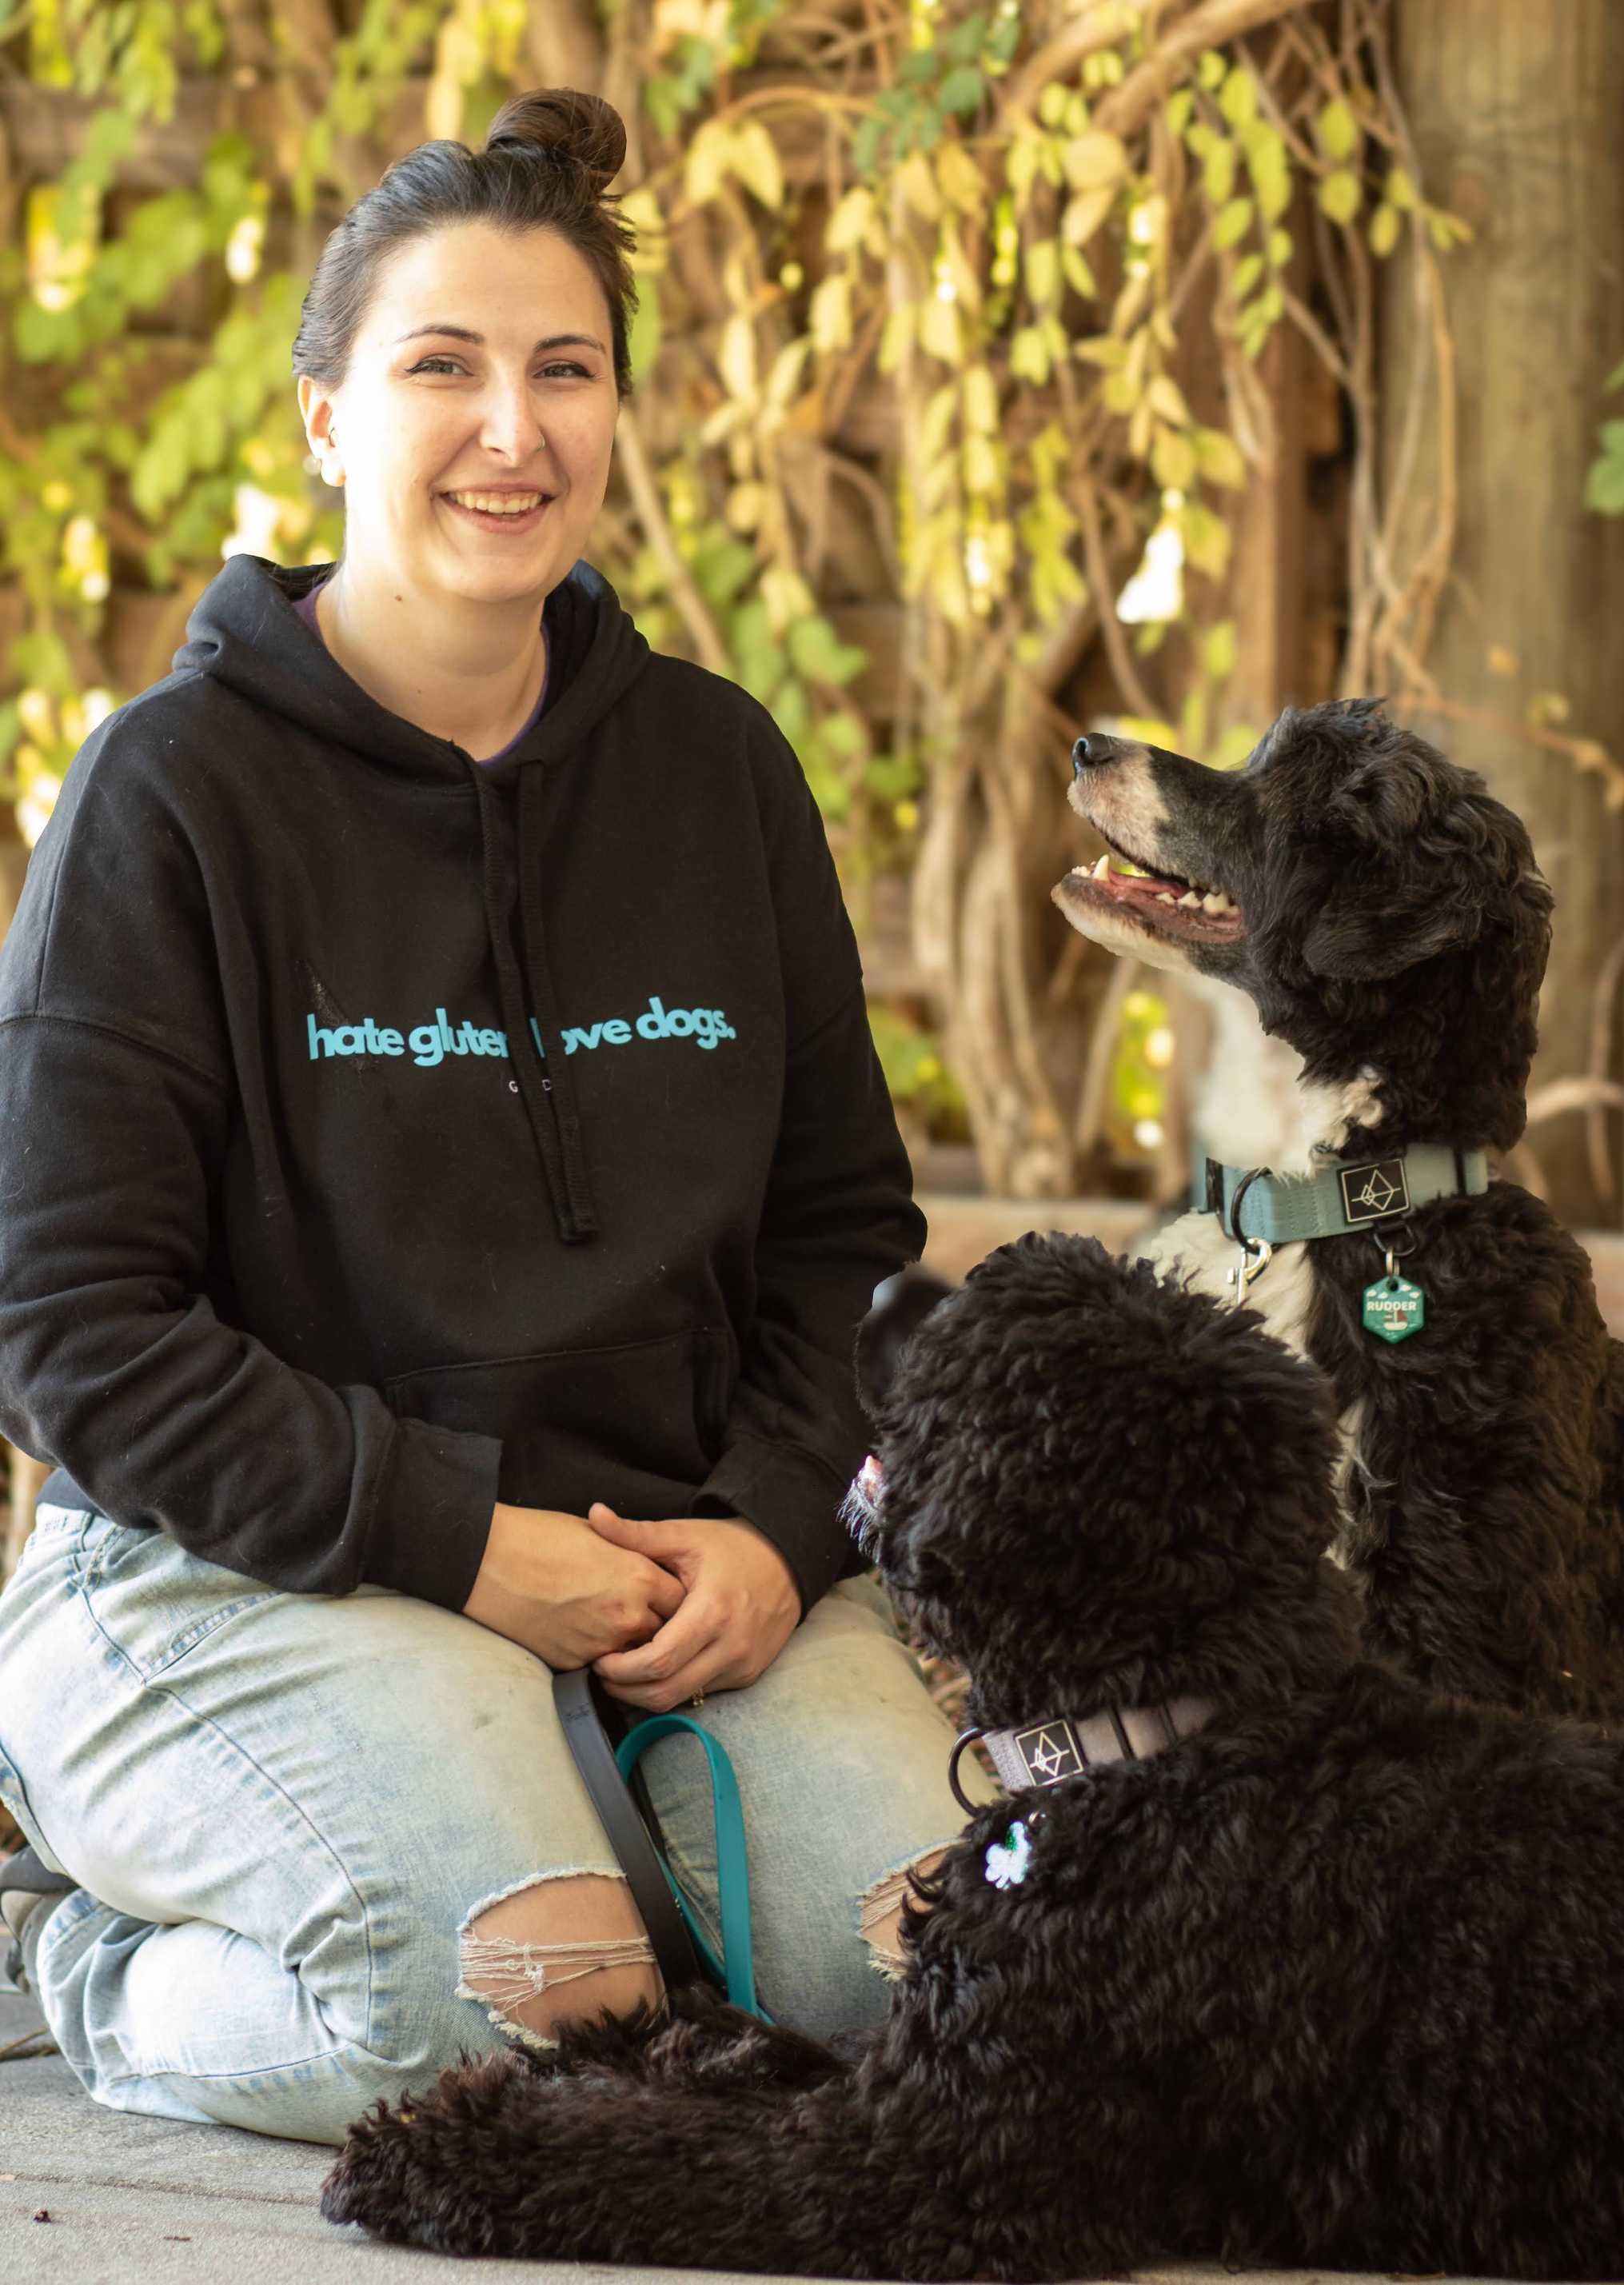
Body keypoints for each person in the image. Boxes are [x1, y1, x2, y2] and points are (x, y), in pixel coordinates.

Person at [0, 86, 986, 2147]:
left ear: (621, 414)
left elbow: (845, 1252)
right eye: (440, 367)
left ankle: (566, 1835)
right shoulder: (167, 797)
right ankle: (89, 1958)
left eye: (565, 371)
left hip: (670, 1575)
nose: (511, 429)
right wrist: (458, 1538)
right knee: (524, 2036)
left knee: (944, 1998)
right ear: (327, 418)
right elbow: (67, 1324)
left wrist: (781, 1532)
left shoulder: (719, 773)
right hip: (246, 1568)